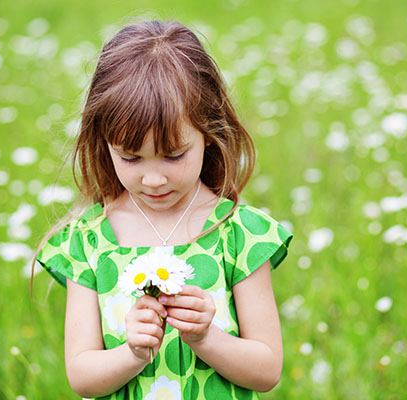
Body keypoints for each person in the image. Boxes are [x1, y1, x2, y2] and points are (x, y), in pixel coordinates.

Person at [34, 20, 292, 400]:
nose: (153, 179)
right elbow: (82, 376)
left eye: (173, 155)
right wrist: (132, 353)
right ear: (103, 142)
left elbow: (267, 369)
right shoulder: (88, 240)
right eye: (131, 157)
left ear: (208, 132)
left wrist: (207, 338)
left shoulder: (239, 232)